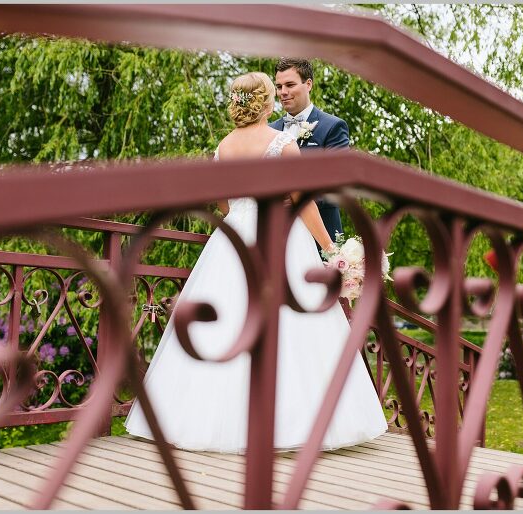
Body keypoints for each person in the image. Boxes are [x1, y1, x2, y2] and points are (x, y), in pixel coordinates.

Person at [124, 71, 387, 453]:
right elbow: (304, 203)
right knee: (291, 323)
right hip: (279, 238)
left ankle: (202, 422)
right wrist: (332, 249)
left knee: (227, 324)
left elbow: (224, 204)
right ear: (266, 102)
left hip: (233, 239)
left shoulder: (223, 147)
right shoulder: (282, 144)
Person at [271, 58, 348, 247]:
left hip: (320, 236)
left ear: (308, 84)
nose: (283, 92)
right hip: (275, 235)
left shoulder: (333, 126)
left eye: (290, 85)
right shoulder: (268, 130)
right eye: (279, 86)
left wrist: (298, 198)